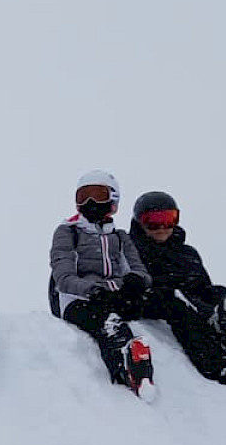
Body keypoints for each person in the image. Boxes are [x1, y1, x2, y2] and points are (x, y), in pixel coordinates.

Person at [127, 189, 226, 385]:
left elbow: (203, 286)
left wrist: (222, 296)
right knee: (178, 301)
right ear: (139, 222)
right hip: (156, 298)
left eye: (168, 220)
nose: (161, 227)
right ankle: (218, 365)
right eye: (153, 221)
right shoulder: (130, 249)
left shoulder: (186, 252)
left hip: (191, 294)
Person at [47, 169, 156, 398]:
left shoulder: (120, 237)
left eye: (98, 195)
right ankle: (127, 368)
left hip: (113, 295)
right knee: (107, 320)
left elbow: (140, 271)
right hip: (76, 300)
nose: (90, 203)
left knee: (164, 302)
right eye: (83, 196)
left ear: (113, 200)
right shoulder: (68, 232)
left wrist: (135, 283)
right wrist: (94, 291)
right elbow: (64, 278)